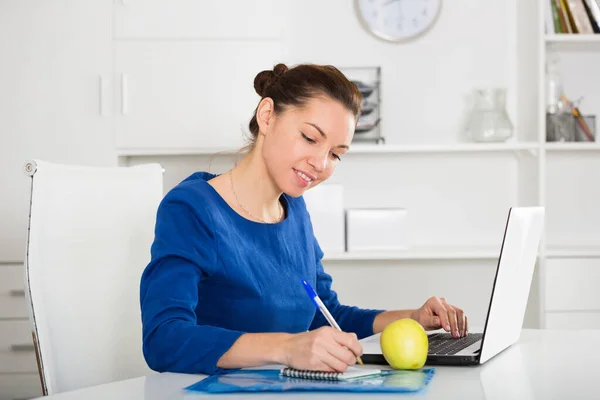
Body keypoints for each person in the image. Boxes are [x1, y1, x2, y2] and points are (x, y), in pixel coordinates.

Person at [139, 63, 468, 376]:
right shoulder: (191, 208)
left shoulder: (294, 209)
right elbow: (164, 339)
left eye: (336, 153)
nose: (321, 164)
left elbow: (326, 315)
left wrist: (413, 317)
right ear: (267, 116)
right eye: (310, 138)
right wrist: (286, 347)